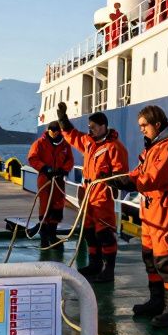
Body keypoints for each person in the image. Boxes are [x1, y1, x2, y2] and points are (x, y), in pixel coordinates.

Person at [105, 105, 168, 328]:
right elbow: (140, 172)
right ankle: (157, 300)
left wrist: (129, 182)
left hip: (165, 214)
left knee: (167, 261)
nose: (141, 130)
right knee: (150, 258)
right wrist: (119, 177)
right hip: (151, 214)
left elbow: (153, 178)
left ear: (157, 125)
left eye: (144, 125)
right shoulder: (155, 147)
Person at [57, 103, 129, 283]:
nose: (91, 131)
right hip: (87, 194)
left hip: (102, 195)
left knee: (104, 233)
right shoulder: (89, 143)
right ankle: (95, 264)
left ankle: (108, 270)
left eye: (94, 127)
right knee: (89, 232)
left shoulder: (115, 147)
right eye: (89, 128)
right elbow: (72, 136)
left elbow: (122, 172)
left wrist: (110, 176)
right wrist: (63, 119)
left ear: (104, 126)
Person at [26, 122, 75, 251]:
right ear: (48, 130)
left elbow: (70, 160)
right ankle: (44, 238)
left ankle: (52, 235)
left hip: (58, 180)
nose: (54, 133)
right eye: (51, 130)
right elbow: (32, 158)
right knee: (45, 206)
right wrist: (44, 167)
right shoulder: (39, 143)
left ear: (59, 131)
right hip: (45, 179)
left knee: (58, 206)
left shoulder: (64, 145)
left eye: (56, 130)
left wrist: (64, 170)